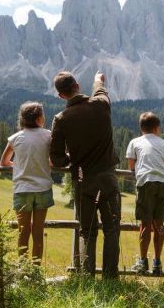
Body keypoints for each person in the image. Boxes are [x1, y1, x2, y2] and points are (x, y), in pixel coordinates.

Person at [49, 71, 121, 279]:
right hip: (108, 177)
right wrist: (98, 79)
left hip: (83, 180)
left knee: (87, 232)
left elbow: (57, 159)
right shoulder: (101, 104)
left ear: (61, 95)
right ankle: (110, 277)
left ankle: (86, 277)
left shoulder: (61, 119)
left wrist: (73, 158)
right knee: (111, 229)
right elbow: (100, 88)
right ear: (78, 86)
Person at [0, 102, 54, 264]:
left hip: (22, 189)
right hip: (43, 189)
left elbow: (4, 162)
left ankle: (22, 270)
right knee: (38, 231)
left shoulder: (15, 138)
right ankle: (35, 270)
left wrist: (19, 166)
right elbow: (52, 160)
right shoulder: (48, 135)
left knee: (23, 232)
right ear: (39, 119)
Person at [126, 112, 164, 275]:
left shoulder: (135, 142)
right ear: (156, 128)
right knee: (159, 225)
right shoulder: (163, 142)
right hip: (162, 183)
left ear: (141, 128)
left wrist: (135, 171)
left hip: (145, 182)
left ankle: (142, 262)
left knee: (145, 224)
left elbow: (131, 164)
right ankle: (157, 263)